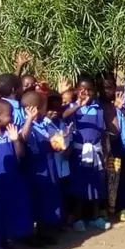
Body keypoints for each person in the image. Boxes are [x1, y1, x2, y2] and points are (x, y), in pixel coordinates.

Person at [0, 99, 34, 249]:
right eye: (9, 115)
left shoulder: (11, 133)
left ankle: (8, 240)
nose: (12, 117)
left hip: (13, 180)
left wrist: (16, 141)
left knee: (13, 210)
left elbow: (20, 156)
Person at [63, 76, 110, 232]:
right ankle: (78, 218)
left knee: (95, 184)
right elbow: (63, 117)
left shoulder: (98, 109)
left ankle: (95, 217)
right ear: (76, 91)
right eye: (83, 90)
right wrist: (78, 105)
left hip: (95, 151)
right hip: (78, 152)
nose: (86, 93)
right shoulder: (72, 108)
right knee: (78, 186)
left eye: (89, 90)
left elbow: (102, 132)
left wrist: (104, 151)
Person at [21, 91, 64, 243]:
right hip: (35, 169)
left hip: (49, 164)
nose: (46, 111)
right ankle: (31, 235)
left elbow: (53, 138)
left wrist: (59, 143)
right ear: (34, 109)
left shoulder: (45, 124)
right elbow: (23, 138)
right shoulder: (27, 126)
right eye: (44, 107)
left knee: (48, 198)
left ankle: (44, 230)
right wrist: (28, 120)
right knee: (35, 199)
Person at [100, 76, 125, 222]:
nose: (107, 91)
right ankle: (103, 208)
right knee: (102, 177)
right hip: (101, 145)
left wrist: (121, 109)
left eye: (110, 87)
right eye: (104, 88)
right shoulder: (96, 104)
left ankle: (122, 207)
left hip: (118, 144)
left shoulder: (122, 102)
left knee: (120, 176)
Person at [46, 91, 73, 224]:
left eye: (57, 109)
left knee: (63, 194)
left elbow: (70, 142)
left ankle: (62, 220)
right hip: (52, 167)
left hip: (64, 165)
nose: (54, 112)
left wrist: (68, 149)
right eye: (51, 109)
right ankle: (53, 223)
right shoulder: (44, 125)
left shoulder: (63, 124)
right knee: (51, 195)